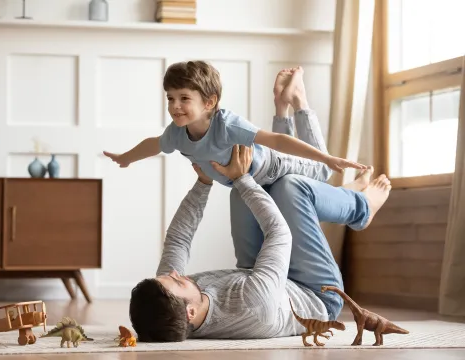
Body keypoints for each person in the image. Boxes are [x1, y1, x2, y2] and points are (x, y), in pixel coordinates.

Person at [127, 75, 390, 342]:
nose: (175, 274)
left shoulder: (171, 298)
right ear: (191, 313)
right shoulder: (253, 305)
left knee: (243, 195)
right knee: (289, 187)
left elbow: (178, 239)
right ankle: (361, 207)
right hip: (315, 292)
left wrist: (204, 182)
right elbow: (279, 233)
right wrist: (241, 178)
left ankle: (292, 121)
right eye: (178, 281)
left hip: (257, 273)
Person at [102, 62, 367, 190]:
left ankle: (298, 101)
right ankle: (282, 104)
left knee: (323, 173)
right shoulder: (176, 133)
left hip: (272, 166)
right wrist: (127, 158)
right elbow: (154, 144)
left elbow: (275, 140)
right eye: (170, 98)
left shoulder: (226, 124)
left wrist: (326, 157)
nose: (174, 106)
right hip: (253, 181)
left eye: (184, 98)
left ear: (209, 102)